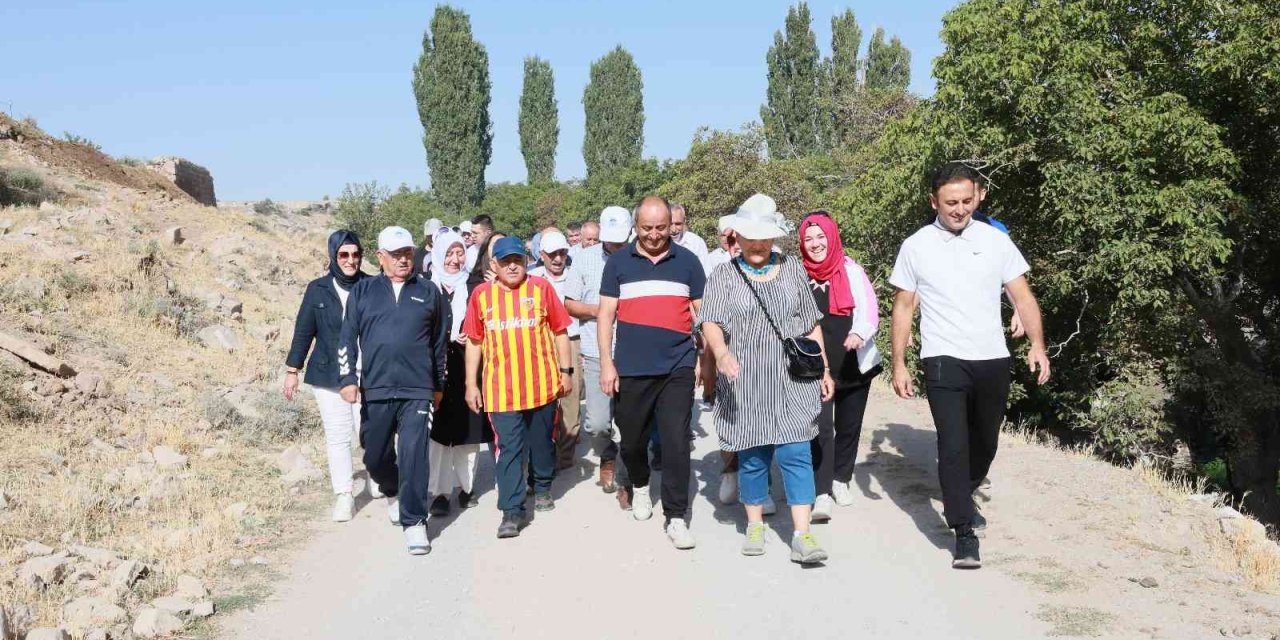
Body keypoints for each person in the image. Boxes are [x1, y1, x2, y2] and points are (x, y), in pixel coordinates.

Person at [889, 162, 1051, 569]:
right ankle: (963, 532)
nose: (959, 209)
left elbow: (1023, 296)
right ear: (934, 202)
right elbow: (903, 307)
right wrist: (899, 362)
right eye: (951, 203)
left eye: (966, 201)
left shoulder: (996, 241)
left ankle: (963, 492)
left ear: (977, 197)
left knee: (986, 442)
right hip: (943, 357)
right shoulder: (916, 246)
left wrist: (1037, 344)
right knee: (953, 445)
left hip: (992, 356)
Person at [699, 194, 834, 564]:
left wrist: (823, 368)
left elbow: (810, 324)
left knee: (797, 453)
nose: (757, 245)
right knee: (753, 456)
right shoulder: (724, 275)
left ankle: (803, 535)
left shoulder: (792, 269)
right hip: (744, 381)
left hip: (793, 380)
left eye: (764, 237)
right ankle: (755, 524)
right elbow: (710, 321)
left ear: (774, 237)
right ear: (737, 236)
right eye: (750, 237)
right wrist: (721, 352)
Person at [597, 196, 705, 550]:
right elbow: (605, 315)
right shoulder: (618, 263)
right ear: (636, 226)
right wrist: (607, 362)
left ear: (671, 225)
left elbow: (703, 314)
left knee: (676, 442)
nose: (655, 235)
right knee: (632, 440)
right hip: (631, 368)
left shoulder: (688, 262)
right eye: (647, 228)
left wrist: (705, 359)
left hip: (678, 365)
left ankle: (676, 515)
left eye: (661, 228)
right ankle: (641, 485)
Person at [338, 226, 448, 555]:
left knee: (414, 454)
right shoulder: (364, 291)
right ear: (380, 256)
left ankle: (414, 522)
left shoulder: (428, 291)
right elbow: (347, 337)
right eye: (396, 254)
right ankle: (393, 489)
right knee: (374, 455)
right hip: (377, 386)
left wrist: (438, 384)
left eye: (407, 253)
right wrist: (347, 378)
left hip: (418, 388)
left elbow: (439, 343)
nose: (403, 260)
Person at [463, 236, 573, 539]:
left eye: (517, 260)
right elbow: (474, 341)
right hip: (501, 392)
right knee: (509, 449)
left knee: (542, 442)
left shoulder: (541, 289)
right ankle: (511, 510)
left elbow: (560, 331)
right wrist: (471, 383)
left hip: (542, 386)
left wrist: (566, 372)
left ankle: (542, 485)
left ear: (526, 261)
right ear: (494, 264)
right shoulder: (481, 295)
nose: (512, 266)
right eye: (505, 261)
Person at [798, 211, 882, 522]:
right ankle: (820, 490)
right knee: (820, 427)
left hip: (852, 362)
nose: (815, 244)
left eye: (821, 237)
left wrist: (859, 333)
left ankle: (840, 479)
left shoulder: (851, 271)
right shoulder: (797, 275)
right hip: (816, 367)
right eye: (809, 239)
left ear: (832, 237)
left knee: (849, 426)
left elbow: (869, 310)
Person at [284, 230, 369, 523]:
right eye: (344, 254)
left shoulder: (372, 285)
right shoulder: (317, 289)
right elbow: (303, 331)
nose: (350, 260)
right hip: (327, 374)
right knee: (337, 435)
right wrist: (292, 370)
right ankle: (344, 494)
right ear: (333, 255)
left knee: (370, 432)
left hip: (366, 375)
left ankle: (377, 477)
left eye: (355, 254)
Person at [563, 206, 629, 502]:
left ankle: (628, 477)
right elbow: (570, 304)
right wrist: (602, 311)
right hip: (595, 353)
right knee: (598, 424)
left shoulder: (639, 257)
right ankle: (608, 453)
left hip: (632, 352)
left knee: (633, 422)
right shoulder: (583, 258)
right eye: (610, 239)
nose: (615, 245)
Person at [426, 230, 492, 517]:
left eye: (460, 253)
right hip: (436, 369)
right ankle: (440, 492)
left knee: (468, 430)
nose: (455, 260)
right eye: (449, 254)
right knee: (438, 434)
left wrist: (473, 333)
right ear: (438, 255)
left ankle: (466, 487)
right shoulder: (425, 287)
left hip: (469, 366)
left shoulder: (476, 286)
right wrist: (447, 337)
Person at [529, 231, 585, 471]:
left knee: (571, 399)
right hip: (541, 341)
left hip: (571, 340)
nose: (558, 259)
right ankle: (543, 452)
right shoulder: (531, 277)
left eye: (562, 253)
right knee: (542, 399)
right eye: (553, 254)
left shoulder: (576, 275)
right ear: (542, 255)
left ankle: (565, 454)